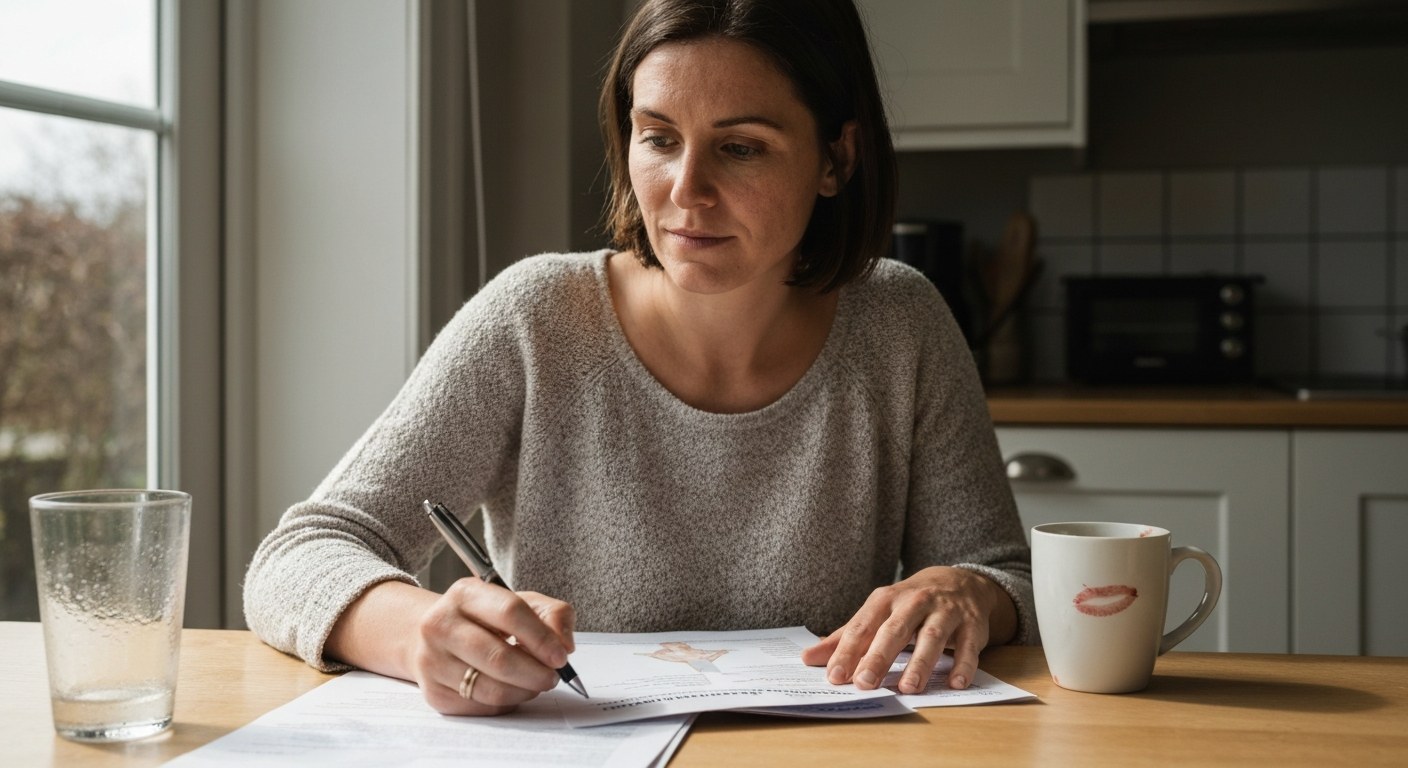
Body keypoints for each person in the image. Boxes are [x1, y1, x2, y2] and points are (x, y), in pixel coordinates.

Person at [243, 0, 1036, 717]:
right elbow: (295, 558)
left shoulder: (901, 325)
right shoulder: (533, 318)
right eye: (658, 138)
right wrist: (421, 628)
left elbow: (1012, 582)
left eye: (741, 148)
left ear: (837, 159)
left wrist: (970, 590)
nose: (686, 190)